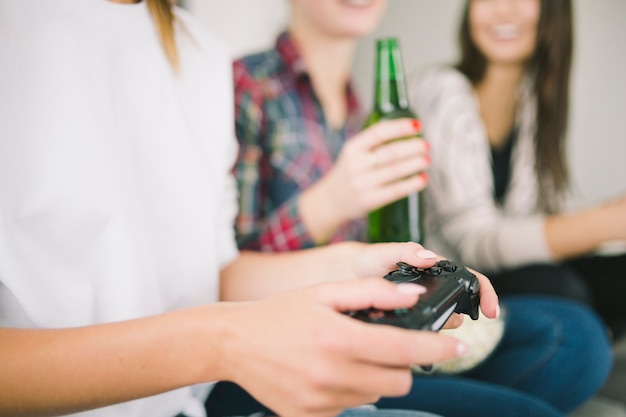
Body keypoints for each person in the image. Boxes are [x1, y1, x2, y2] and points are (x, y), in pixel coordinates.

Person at [0, 1, 505, 417]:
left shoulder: (199, 53)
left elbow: (217, 272)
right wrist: (225, 341)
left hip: (187, 400)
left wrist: (347, 265)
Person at [225, 0, 613, 416]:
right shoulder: (248, 83)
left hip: (372, 319)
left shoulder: (355, 101)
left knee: (579, 340)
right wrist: (330, 203)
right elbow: (222, 271)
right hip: (302, 345)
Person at [409, 0, 626, 338]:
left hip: (507, 266)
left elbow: (536, 220)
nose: (502, 10)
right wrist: (602, 223)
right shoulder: (439, 89)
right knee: (561, 290)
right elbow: (474, 244)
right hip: (454, 276)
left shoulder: (533, 100)